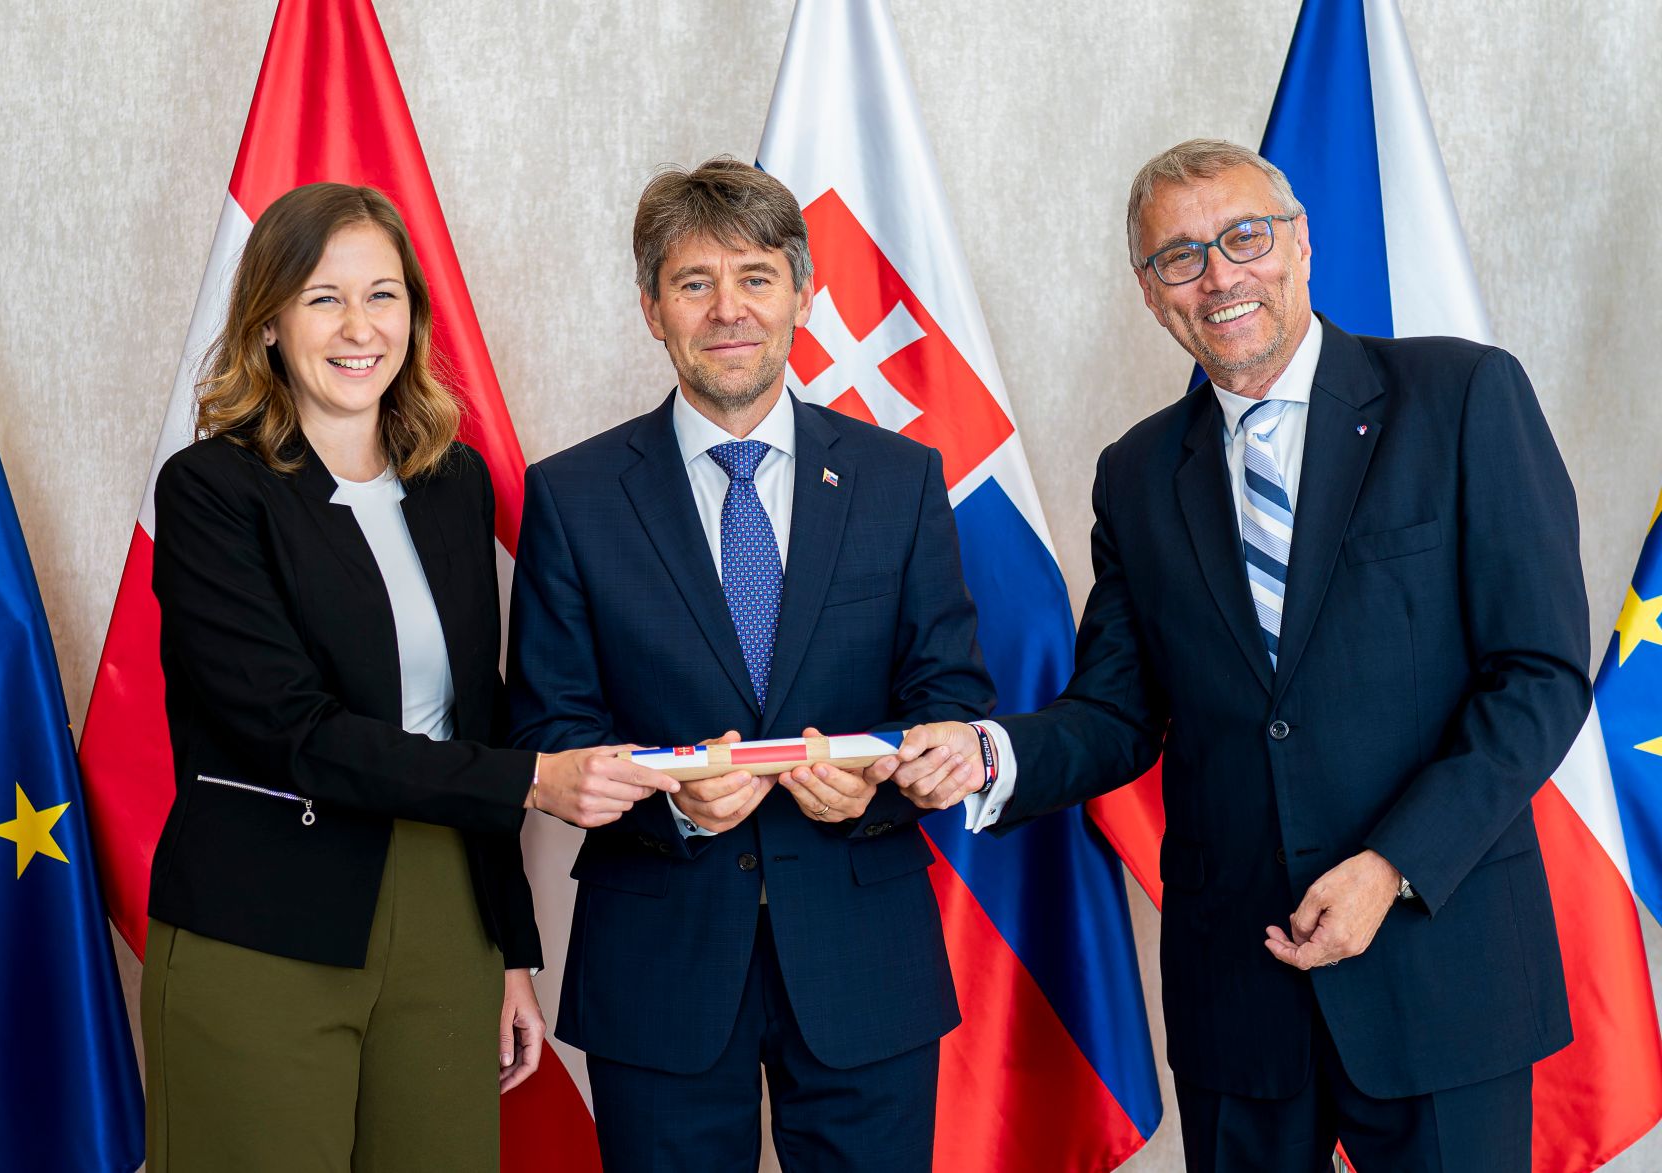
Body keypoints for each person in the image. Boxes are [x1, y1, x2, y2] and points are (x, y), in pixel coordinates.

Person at [889, 140, 1590, 1172]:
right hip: (1239, 995)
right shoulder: (1135, 473)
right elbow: (1117, 712)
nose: (1218, 275)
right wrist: (987, 754)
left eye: (1243, 237)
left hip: (1440, 969)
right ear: (1149, 292)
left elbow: (1538, 674)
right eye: (1179, 257)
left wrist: (1392, 866)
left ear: (1300, 244)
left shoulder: (1460, 395)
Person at [142, 182, 677, 1172]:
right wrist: (534, 779)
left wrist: (509, 950)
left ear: (413, 316)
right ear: (267, 323)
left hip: (447, 918)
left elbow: (475, 717)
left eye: (382, 295)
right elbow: (293, 732)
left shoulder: (452, 483)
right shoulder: (211, 491)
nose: (360, 327)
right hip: (266, 917)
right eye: (324, 298)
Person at [507, 157, 994, 1172]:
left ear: (802, 295)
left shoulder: (899, 480)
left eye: (756, 278)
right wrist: (675, 807)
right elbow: (548, 729)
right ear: (652, 309)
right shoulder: (573, 496)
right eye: (694, 282)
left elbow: (948, 693)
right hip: (660, 962)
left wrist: (875, 781)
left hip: (863, 953)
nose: (728, 309)